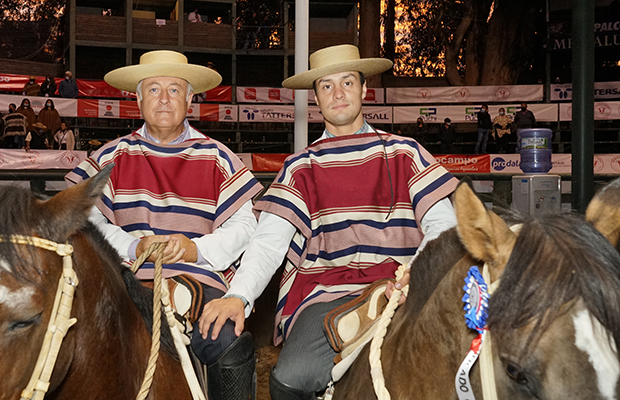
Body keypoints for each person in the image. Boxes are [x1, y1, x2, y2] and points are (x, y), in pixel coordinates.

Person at [196, 44, 458, 400]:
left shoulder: (406, 152)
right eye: (327, 86)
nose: (338, 93)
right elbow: (269, 243)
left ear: (365, 90)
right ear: (316, 98)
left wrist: (421, 269)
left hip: (401, 288)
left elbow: (442, 223)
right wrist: (238, 296)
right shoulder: (300, 167)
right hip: (327, 294)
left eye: (347, 82)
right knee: (289, 379)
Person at [65, 50, 262, 400]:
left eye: (174, 90)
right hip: (123, 279)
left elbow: (246, 226)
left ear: (189, 99)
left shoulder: (219, 157)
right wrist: (131, 246)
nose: (164, 99)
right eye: (153, 89)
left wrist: (194, 248)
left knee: (228, 340)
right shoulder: (109, 158)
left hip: (197, 277)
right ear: (138, 99)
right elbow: (83, 219)